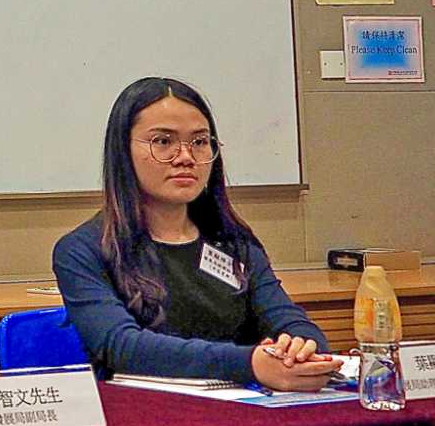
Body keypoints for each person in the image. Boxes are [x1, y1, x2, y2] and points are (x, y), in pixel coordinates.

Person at [52, 76, 335, 387]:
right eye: (163, 141)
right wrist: (249, 364)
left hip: (245, 407)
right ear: (123, 150)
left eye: (200, 142)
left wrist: (303, 348)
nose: (186, 157)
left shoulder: (233, 242)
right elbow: (122, 347)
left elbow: (292, 322)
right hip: (149, 416)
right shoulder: (83, 249)